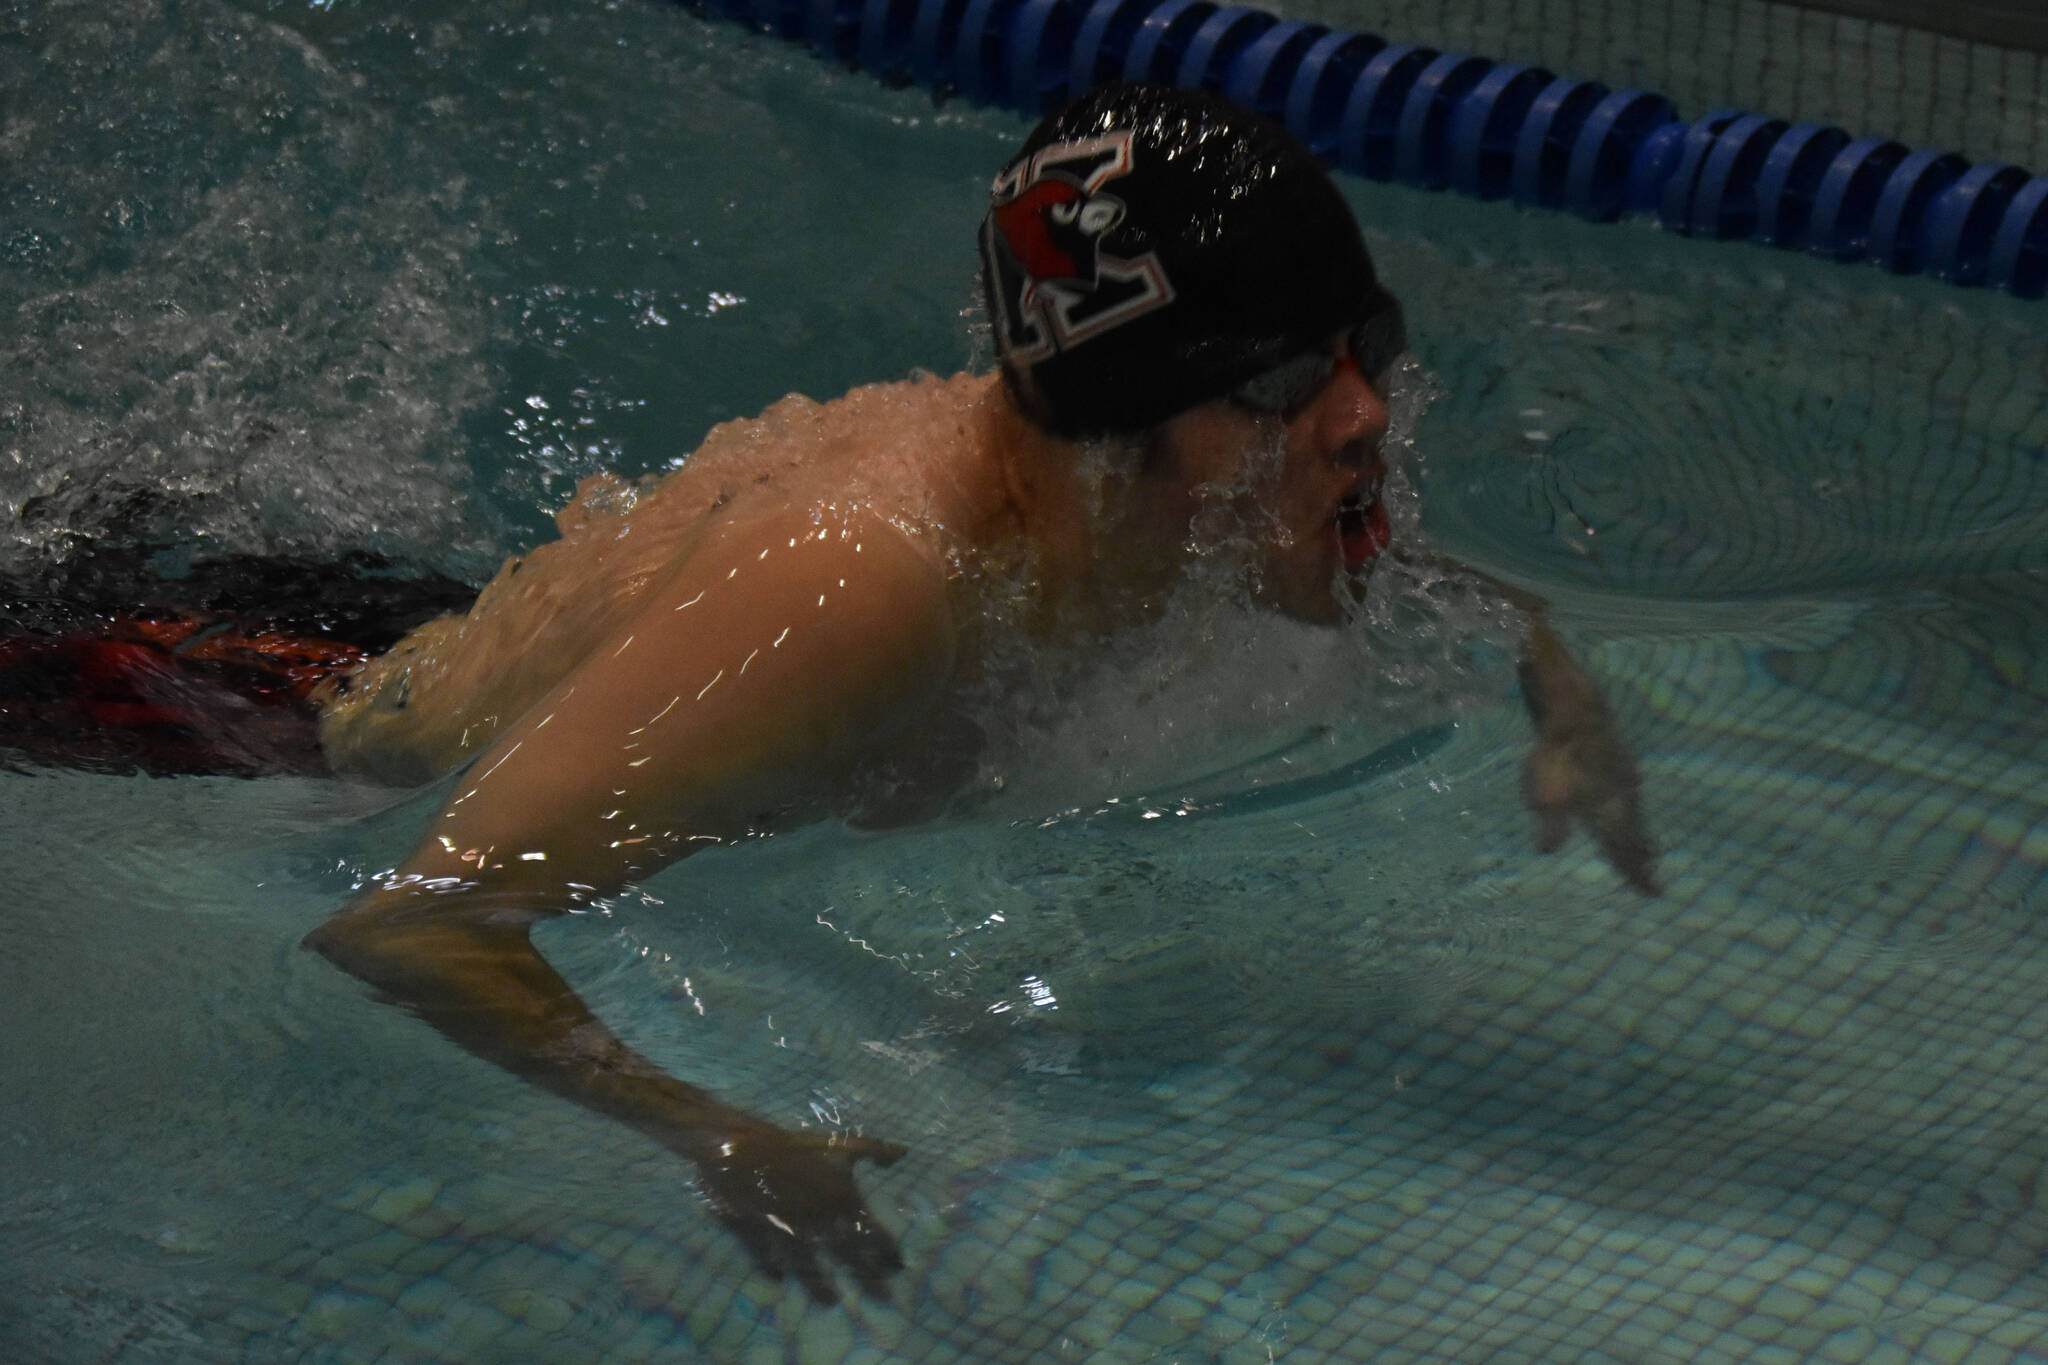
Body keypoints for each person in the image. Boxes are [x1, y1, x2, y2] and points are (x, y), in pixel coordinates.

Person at [0, 83, 1655, 1303]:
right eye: (1294, 381)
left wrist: (1558, 689)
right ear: (1130, 429)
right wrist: (722, 1135)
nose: (1363, 412)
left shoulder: (1143, 491)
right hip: (220, 718)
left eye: (1366, 338)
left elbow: (1395, 564)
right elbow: (410, 923)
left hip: (396, 628)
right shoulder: (864, 597)